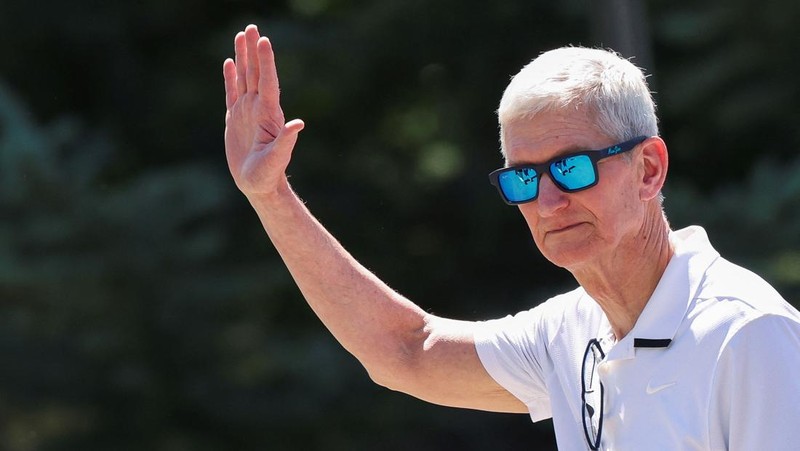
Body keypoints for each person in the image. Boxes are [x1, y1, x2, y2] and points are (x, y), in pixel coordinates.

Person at [222, 24, 800, 450]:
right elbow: (406, 353)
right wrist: (270, 195)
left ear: (649, 168)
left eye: (573, 167)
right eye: (525, 177)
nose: (549, 200)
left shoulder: (749, 335)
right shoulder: (570, 330)